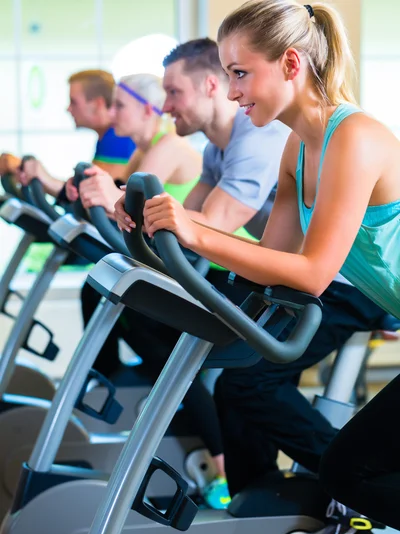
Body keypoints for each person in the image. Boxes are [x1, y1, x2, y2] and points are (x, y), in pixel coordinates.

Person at [140, 2, 400, 534]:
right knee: (346, 470)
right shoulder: (295, 147)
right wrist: (164, 234)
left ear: (289, 63)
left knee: (352, 473)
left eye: (239, 73)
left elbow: (311, 272)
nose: (232, 93)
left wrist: (191, 228)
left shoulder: (353, 136)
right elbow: (271, 269)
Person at [107, 38, 290, 509]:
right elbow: (191, 218)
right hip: (280, 277)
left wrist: (151, 213)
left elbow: (216, 223)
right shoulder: (216, 149)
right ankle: (257, 499)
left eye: (173, 93)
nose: (165, 107)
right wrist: (138, 215)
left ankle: (324, 486)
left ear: (210, 85)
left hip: (326, 283)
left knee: (243, 382)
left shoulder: (257, 137)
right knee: (233, 382)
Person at [69, 72, 201, 215]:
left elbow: (132, 208)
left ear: (147, 111)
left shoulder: (171, 146)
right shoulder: (140, 152)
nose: (111, 113)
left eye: (119, 106)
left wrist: (101, 187)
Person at [7, 70, 135, 197]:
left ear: (97, 104)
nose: (68, 108)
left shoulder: (118, 137)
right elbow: (80, 195)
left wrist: (42, 175)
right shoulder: (106, 137)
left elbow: (94, 197)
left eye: (73, 102)